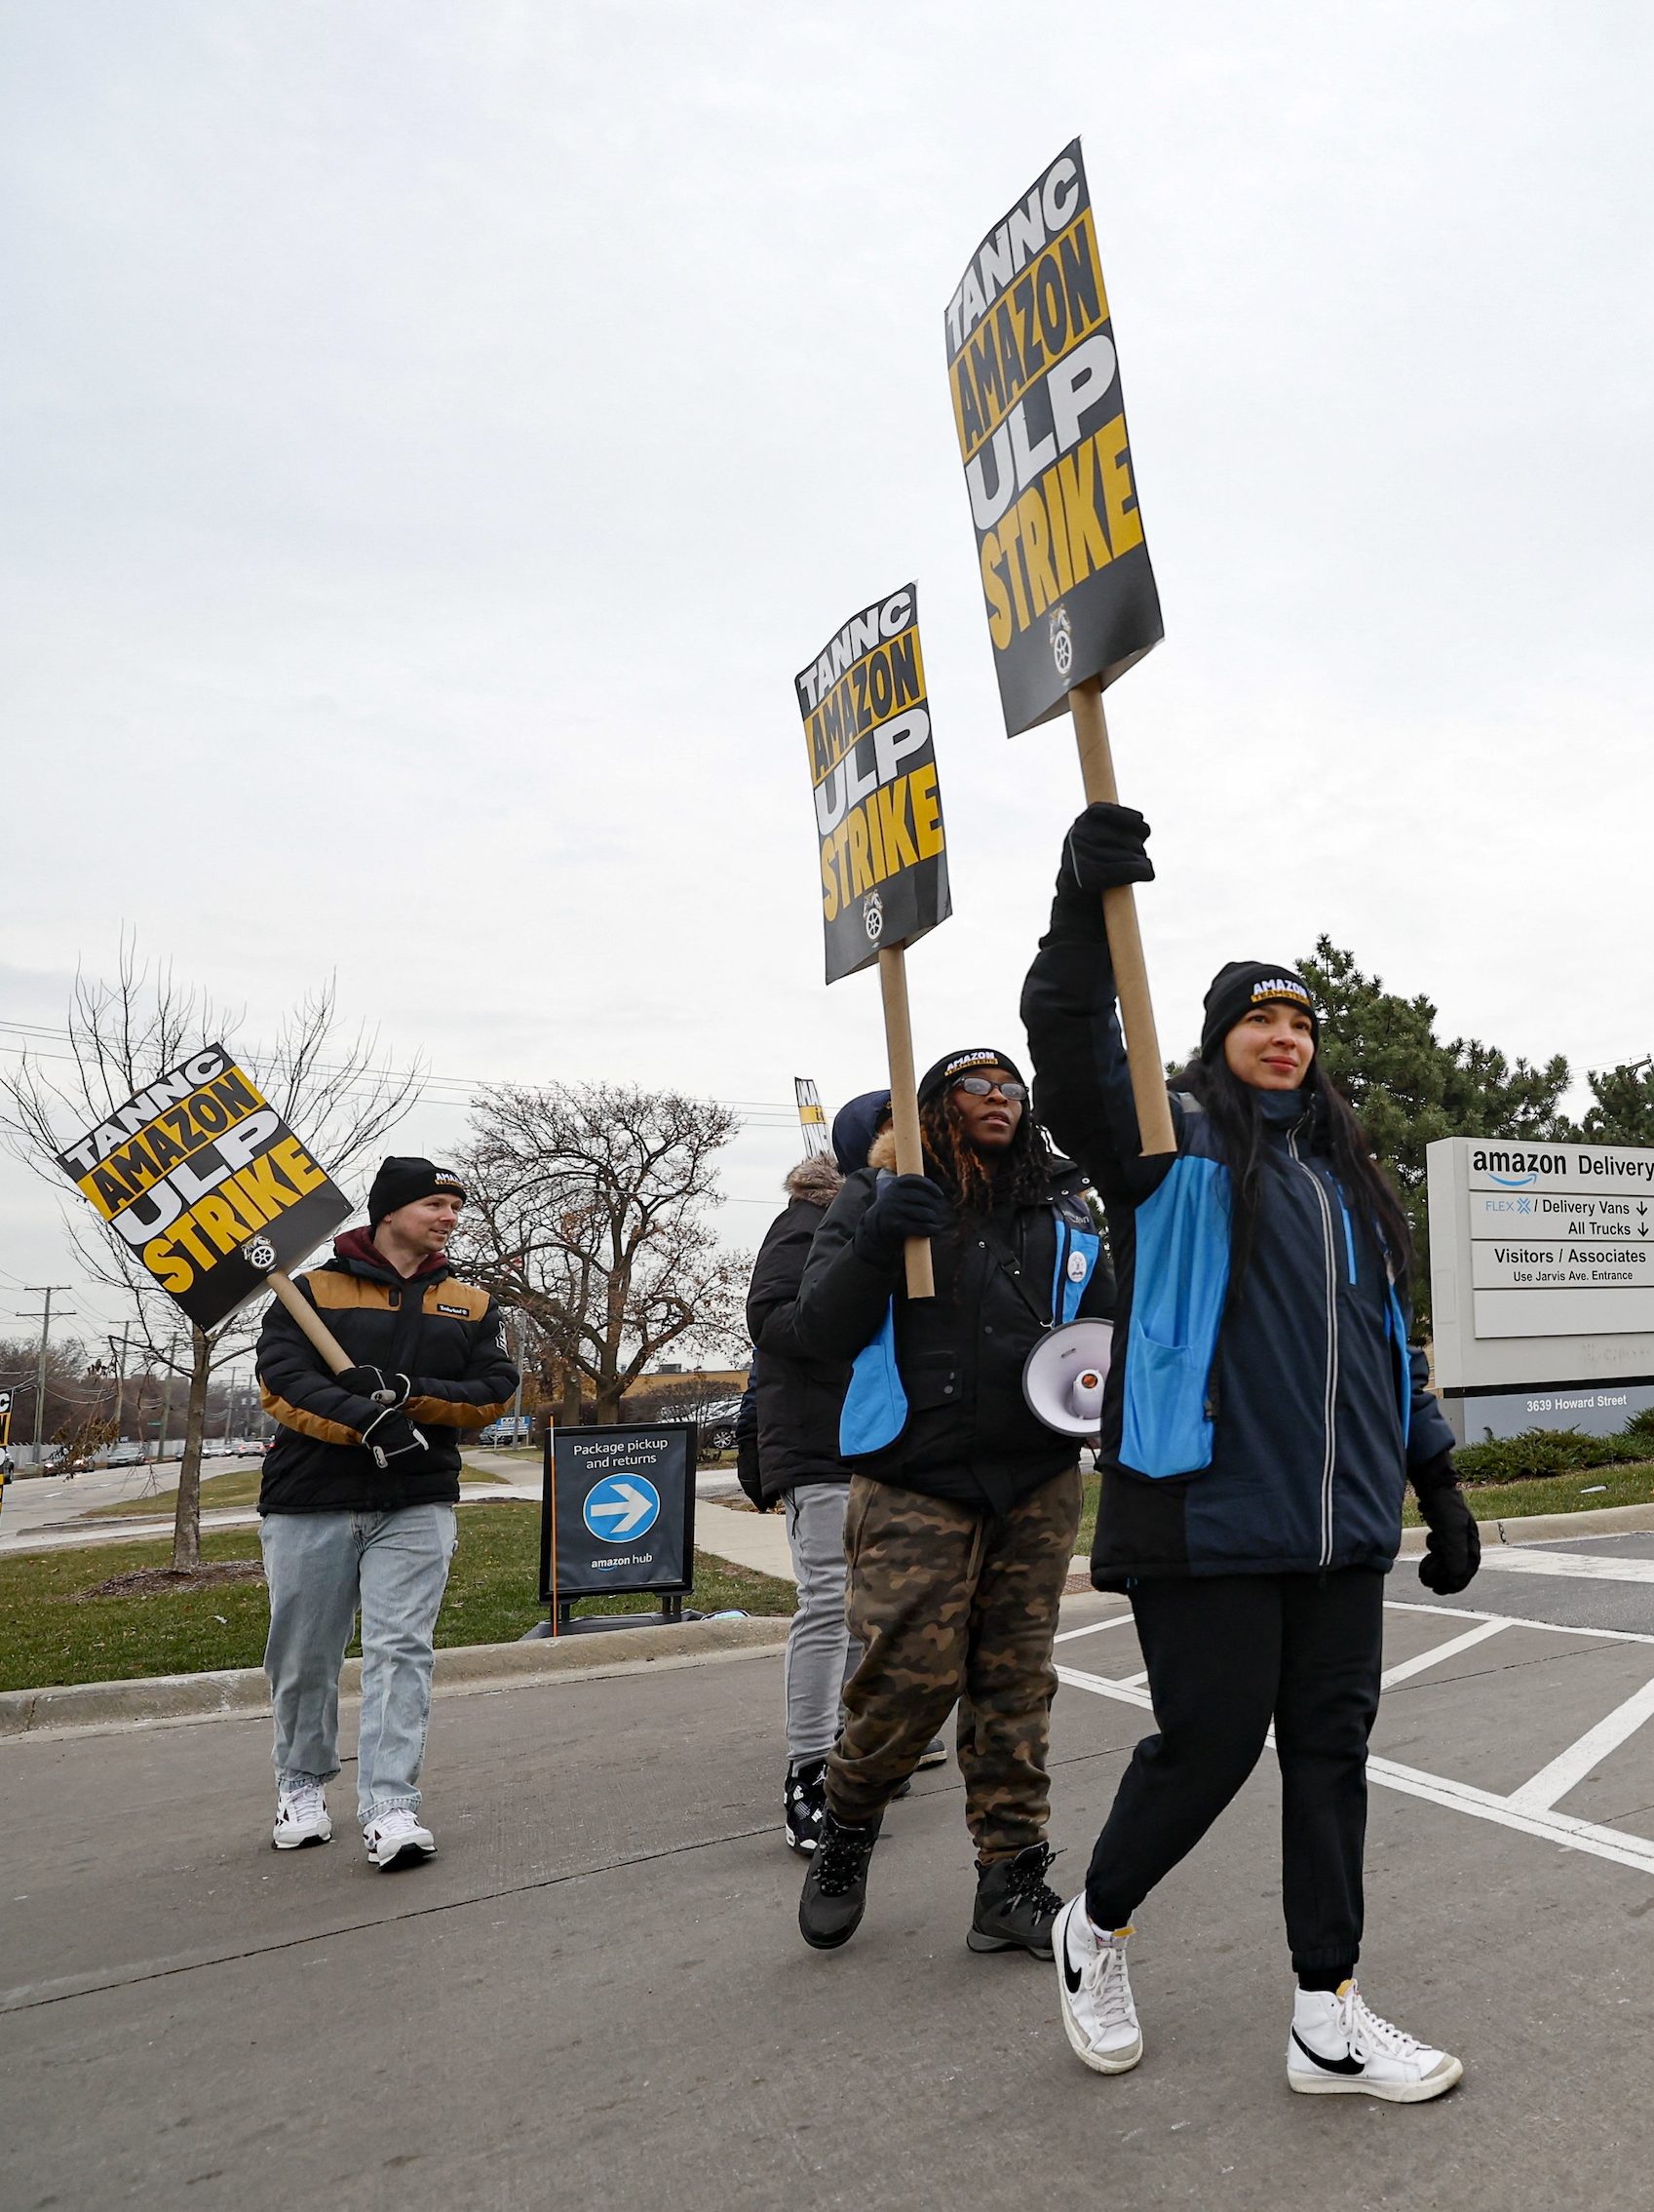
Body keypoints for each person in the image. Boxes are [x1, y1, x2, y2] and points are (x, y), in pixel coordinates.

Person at [1021, 804, 1481, 2101]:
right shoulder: (1167, 1151)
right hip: (1204, 1513)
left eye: (1300, 1025)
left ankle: (1326, 2012)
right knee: (1210, 1745)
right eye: (1256, 1022)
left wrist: (1434, 1478)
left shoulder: (1348, 1185)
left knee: (1331, 1758)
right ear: (1220, 1044)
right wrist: (1075, 906)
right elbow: (1065, 1043)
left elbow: (1388, 1348)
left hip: (1338, 1524)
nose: (1283, 1038)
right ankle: (1095, 1921)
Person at [790, 1049, 1113, 1957]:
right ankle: (846, 1828)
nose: (1000, 1100)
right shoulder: (881, 1194)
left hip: (1036, 1476)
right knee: (908, 1681)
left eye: (1013, 1087)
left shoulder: (1063, 1207)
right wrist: (874, 1237)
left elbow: (1100, 1329)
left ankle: (1009, 1877)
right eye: (978, 1087)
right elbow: (814, 1330)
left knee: (1016, 1682)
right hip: (916, 1474)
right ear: (932, 1107)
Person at [254, 1157, 519, 1868]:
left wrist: (406, 1394)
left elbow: (493, 1387)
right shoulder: (310, 1289)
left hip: (417, 1496)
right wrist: (365, 1424)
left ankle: (390, 1806)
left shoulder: (470, 1301)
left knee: (402, 1650)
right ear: (390, 1210)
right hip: (310, 1498)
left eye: (455, 1206)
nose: (450, 1217)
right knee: (305, 1657)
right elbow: (282, 1381)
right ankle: (302, 1786)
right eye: (436, 1203)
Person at [744, 1092, 949, 1855]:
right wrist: (857, 1280)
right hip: (826, 1443)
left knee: (886, 1604)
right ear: (869, 1140)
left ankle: (869, 1738)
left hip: (896, 1442)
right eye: (902, 1128)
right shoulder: (804, 1223)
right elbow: (775, 1325)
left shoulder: (927, 1214)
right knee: (830, 1600)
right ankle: (807, 1767)